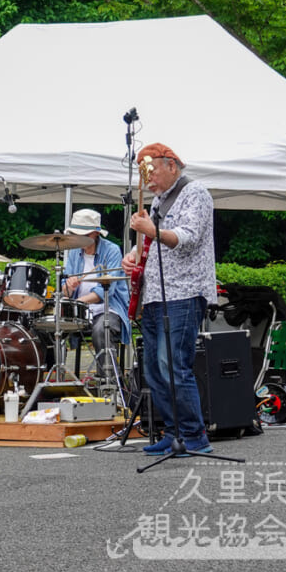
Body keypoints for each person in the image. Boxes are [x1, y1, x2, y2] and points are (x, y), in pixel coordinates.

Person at [121, 142, 216, 456]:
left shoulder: (194, 193)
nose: (147, 177)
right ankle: (173, 433)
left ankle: (195, 435)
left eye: (151, 169)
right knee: (154, 369)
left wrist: (151, 227)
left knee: (173, 365)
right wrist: (133, 256)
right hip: (155, 293)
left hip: (184, 291)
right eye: (143, 171)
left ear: (171, 165)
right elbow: (152, 245)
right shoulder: (159, 201)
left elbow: (187, 238)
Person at [62, 208, 131, 380]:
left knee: (101, 329)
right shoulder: (73, 253)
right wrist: (69, 287)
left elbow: (107, 291)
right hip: (81, 311)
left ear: (94, 234)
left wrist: (78, 302)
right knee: (52, 328)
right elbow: (65, 290)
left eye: (82, 234)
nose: (78, 238)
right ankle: (57, 380)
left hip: (109, 308)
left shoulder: (112, 250)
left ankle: (108, 382)